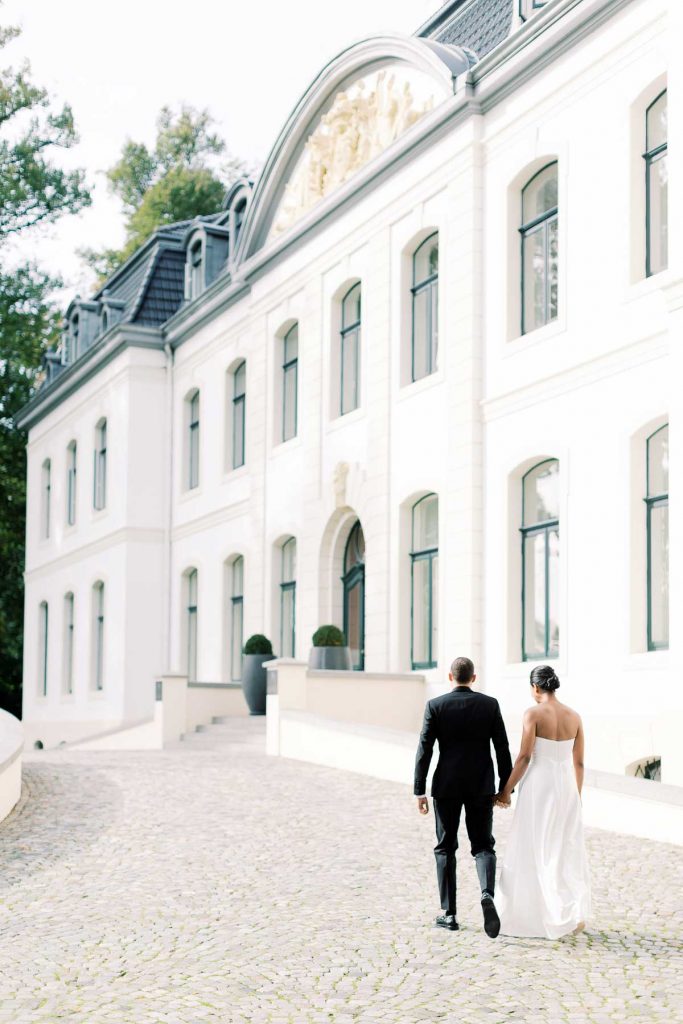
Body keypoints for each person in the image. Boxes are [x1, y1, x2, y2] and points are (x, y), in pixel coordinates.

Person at [414, 656, 512, 936]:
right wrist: (505, 787)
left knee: (445, 846)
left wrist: (419, 789)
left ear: (450, 677)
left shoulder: (435, 706)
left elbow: (425, 749)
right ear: (473, 677)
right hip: (481, 785)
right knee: (483, 845)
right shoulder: (490, 705)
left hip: (446, 786)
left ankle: (449, 913)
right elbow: (502, 748)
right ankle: (486, 894)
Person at [495, 665, 591, 938]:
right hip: (567, 787)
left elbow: (524, 757)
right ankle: (567, 911)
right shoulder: (575, 716)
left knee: (533, 845)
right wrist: (577, 797)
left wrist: (505, 791)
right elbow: (579, 762)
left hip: (539, 786)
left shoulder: (532, 713)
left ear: (535, 687)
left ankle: (533, 915)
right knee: (563, 848)